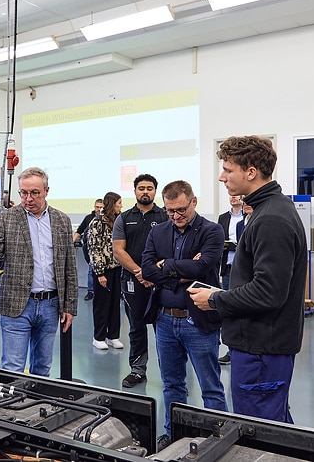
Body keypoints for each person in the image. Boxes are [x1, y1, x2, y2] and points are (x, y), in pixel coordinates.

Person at [190, 135, 307, 425]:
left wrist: (216, 299)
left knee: (258, 432)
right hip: (259, 347)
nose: (221, 177)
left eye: (228, 170)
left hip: (261, 351)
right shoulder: (267, 210)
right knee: (273, 422)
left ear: (251, 172)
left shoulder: (271, 219)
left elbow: (269, 292)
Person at [0, 167, 78, 377]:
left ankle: (38, 408)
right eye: (23, 193)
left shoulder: (61, 221)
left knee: (42, 368)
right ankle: (13, 410)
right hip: (17, 305)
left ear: (46, 191)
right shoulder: (7, 219)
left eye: (34, 193)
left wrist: (70, 306)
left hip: (51, 306)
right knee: (13, 368)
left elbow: (69, 266)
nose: (28, 198)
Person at [141, 180, 227, 450]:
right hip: (165, 321)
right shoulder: (158, 232)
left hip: (198, 321)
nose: (176, 217)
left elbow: (203, 267)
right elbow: (147, 270)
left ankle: (218, 436)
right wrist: (182, 271)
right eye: (170, 211)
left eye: (181, 210)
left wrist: (165, 265)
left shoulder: (212, 231)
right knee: (172, 385)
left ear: (194, 202)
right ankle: (174, 432)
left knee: (210, 386)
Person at [112, 174, 168, 387]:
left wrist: (153, 273)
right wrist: (140, 272)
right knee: (136, 327)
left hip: (161, 281)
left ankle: (168, 372)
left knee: (163, 327)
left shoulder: (165, 216)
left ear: (156, 191)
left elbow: (172, 248)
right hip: (132, 281)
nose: (145, 191)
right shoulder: (124, 218)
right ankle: (137, 370)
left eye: (150, 188)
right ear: (134, 191)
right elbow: (118, 250)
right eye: (141, 188)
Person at [85, 192, 124, 350]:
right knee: (102, 305)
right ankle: (98, 336)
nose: (121, 206)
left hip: (117, 269)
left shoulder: (119, 221)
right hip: (103, 270)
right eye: (119, 203)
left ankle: (113, 336)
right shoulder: (97, 222)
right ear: (112, 204)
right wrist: (100, 273)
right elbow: (94, 249)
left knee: (115, 304)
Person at [215, 195, 244, 365]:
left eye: (236, 196)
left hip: (243, 268)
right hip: (227, 267)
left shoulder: (247, 217)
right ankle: (230, 349)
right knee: (227, 308)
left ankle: (240, 347)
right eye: (230, 196)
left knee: (241, 307)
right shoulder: (223, 218)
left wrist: (236, 245)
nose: (233, 198)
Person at [73, 199, 104, 301]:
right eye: (97, 207)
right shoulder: (89, 218)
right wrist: (71, 242)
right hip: (91, 250)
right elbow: (79, 231)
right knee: (91, 270)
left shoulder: (106, 218)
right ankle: (91, 292)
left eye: (101, 207)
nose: (99, 209)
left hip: (105, 250)